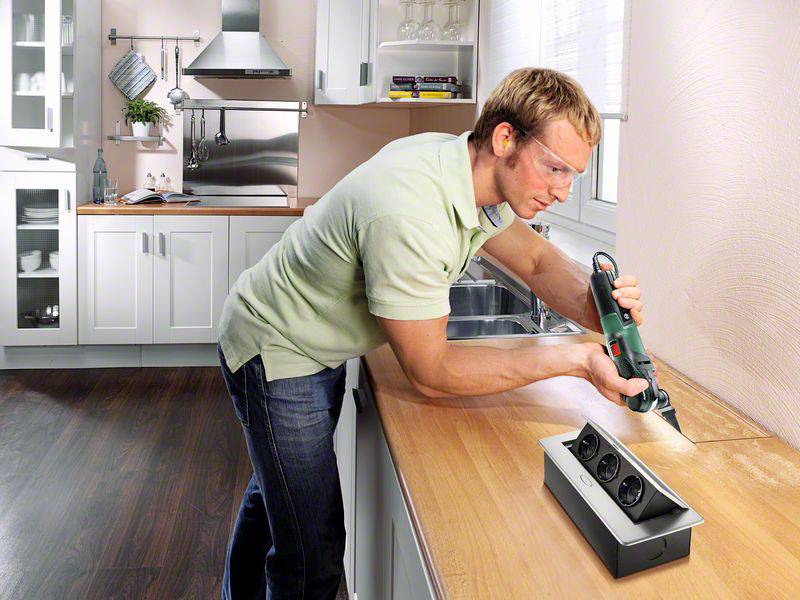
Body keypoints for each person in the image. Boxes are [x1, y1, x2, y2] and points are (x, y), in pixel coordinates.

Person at [217, 67, 653, 599]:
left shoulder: (468, 176)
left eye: (573, 177)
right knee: (313, 556)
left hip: (313, 338)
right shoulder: (410, 211)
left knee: (274, 496)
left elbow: (536, 261)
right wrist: (579, 362)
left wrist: (600, 305)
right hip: (277, 347)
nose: (563, 191)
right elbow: (432, 369)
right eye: (555, 168)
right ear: (504, 138)